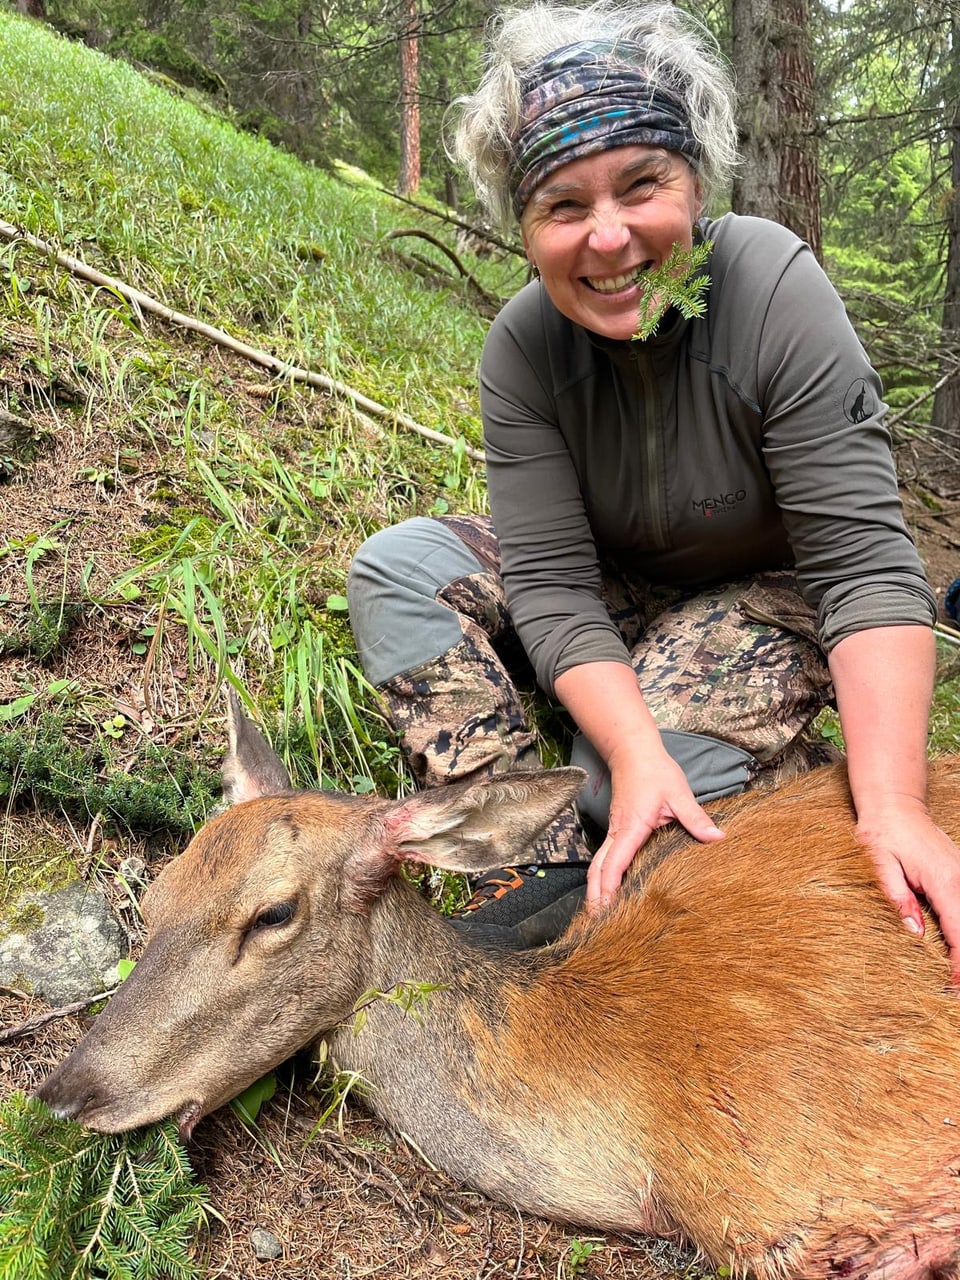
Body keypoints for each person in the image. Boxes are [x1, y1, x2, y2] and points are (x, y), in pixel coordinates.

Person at [347, 0, 960, 967]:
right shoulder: (523, 348)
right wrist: (634, 750)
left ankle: (787, 782)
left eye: (642, 185)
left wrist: (896, 803)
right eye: (563, 206)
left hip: (775, 585)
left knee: (638, 782)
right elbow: (551, 584)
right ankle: (534, 862)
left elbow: (865, 570)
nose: (608, 237)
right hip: (619, 572)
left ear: (696, 182)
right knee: (400, 569)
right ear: (524, 226)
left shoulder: (771, 288)